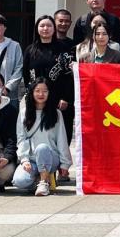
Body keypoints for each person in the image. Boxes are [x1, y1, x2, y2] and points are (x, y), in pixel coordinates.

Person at [25, 14, 76, 161]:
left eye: (49, 25)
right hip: (38, 99)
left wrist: (66, 98)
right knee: (41, 132)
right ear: (37, 29)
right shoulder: (30, 50)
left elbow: (69, 76)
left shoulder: (64, 49)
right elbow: (26, 75)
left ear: (54, 29)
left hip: (60, 100)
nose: (45, 28)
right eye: (42, 26)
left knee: (62, 133)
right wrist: (31, 96)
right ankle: (42, 164)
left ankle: (62, 165)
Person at [14, 78, 72, 196]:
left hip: (51, 157)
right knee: (19, 181)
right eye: (37, 91)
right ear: (32, 92)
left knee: (42, 148)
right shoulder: (24, 112)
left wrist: (65, 164)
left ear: (49, 93)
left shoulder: (56, 114)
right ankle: (40, 178)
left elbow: (62, 139)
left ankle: (44, 182)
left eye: (45, 91)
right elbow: (21, 138)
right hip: (32, 159)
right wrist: (24, 159)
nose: (41, 94)